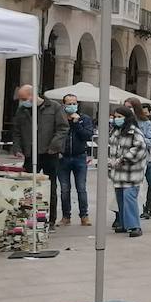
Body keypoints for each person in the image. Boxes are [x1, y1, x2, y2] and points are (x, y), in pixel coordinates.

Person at [13, 83, 68, 229]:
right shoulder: (22, 110)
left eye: (24, 98)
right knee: (27, 186)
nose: (22, 101)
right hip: (30, 153)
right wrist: (17, 148)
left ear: (33, 95)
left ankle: (50, 220)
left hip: (49, 153)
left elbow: (62, 128)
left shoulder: (54, 107)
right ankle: (28, 216)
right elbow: (17, 130)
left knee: (51, 187)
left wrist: (54, 146)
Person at [105, 106, 147, 238]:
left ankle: (134, 226)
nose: (116, 119)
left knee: (129, 198)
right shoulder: (115, 131)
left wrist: (123, 159)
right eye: (115, 117)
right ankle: (124, 224)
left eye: (119, 117)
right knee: (120, 199)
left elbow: (140, 148)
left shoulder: (134, 132)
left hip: (131, 172)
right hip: (117, 172)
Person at [56, 93, 94, 227]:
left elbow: (87, 136)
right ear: (64, 105)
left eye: (74, 103)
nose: (72, 106)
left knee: (81, 188)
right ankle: (66, 216)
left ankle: (84, 215)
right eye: (69, 103)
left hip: (79, 157)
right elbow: (56, 135)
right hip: (63, 157)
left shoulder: (84, 118)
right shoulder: (60, 118)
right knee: (65, 189)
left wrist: (77, 123)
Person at [126, 99, 151, 220]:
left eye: (130, 107)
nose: (128, 109)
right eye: (126, 107)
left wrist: (138, 139)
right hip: (129, 161)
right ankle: (123, 216)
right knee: (131, 190)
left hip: (147, 159)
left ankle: (149, 206)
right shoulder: (122, 123)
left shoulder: (146, 123)